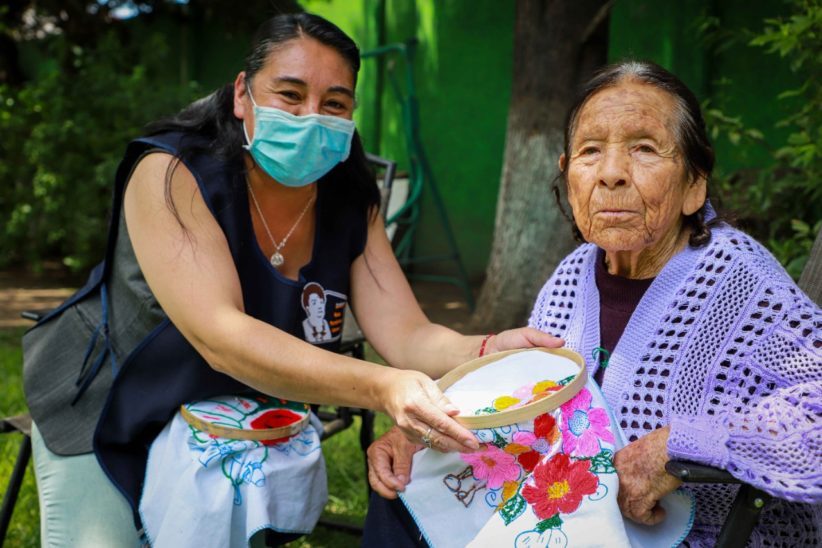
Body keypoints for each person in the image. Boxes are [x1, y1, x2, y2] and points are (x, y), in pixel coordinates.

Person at [21, 12, 562, 547]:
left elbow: (406, 335)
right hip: (105, 396)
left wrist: (488, 347)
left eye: (334, 104)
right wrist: (382, 386)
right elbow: (221, 338)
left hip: (227, 411)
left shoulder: (350, 199)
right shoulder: (171, 172)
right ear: (242, 95)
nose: (311, 117)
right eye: (289, 94)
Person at [363, 60, 821, 547]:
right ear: (567, 175)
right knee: (403, 492)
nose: (610, 174)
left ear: (694, 184)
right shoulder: (574, 275)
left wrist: (677, 445)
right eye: (589, 151)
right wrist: (429, 433)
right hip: (573, 516)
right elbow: (535, 411)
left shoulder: (741, 283)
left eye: (644, 148)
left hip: (693, 536)